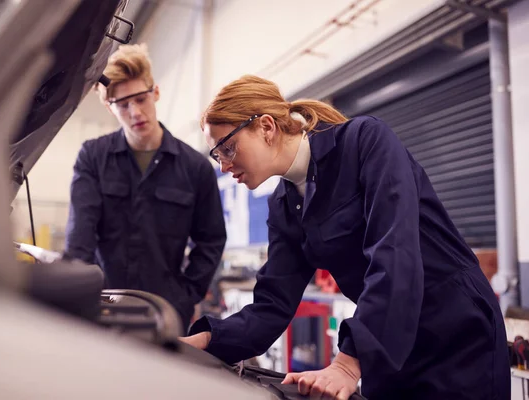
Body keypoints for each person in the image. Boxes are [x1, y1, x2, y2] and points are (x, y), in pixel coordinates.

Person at [179, 75, 510, 399]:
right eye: (217, 155)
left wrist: (348, 364)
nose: (223, 166)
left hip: (456, 332)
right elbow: (272, 305)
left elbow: (395, 252)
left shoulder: (364, 141)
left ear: (266, 127)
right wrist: (203, 342)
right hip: (386, 342)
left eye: (228, 148)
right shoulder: (284, 205)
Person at [64, 44, 227, 334]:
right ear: (108, 106)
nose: (135, 112)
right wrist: (79, 299)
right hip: (102, 307)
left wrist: (185, 297)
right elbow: (80, 241)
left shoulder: (195, 167)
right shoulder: (92, 158)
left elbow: (211, 241)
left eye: (141, 99)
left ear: (156, 92)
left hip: (165, 312)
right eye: (123, 105)